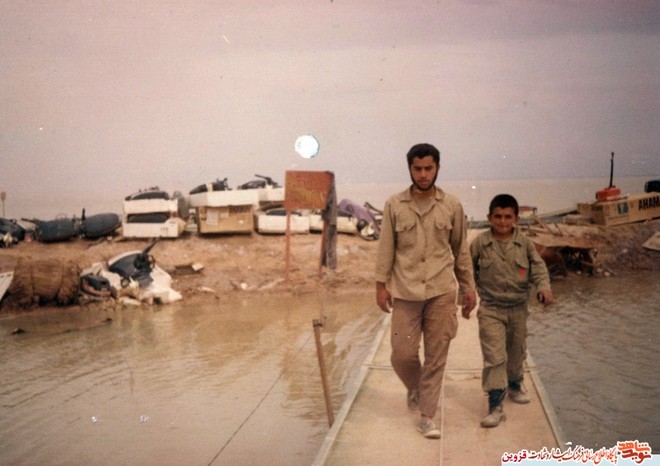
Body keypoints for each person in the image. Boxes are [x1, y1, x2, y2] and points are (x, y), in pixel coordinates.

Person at [375, 143, 477, 439]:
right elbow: (385, 248)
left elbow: (461, 250)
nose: (423, 174)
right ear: (410, 169)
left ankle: (427, 416)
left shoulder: (452, 205)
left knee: (436, 355)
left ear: (437, 168)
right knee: (402, 354)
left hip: (441, 291)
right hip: (405, 292)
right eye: (417, 169)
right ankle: (416, 387)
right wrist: (380, 285)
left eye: (428, 168)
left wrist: (468, 288)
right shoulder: (394, 205)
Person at [469, 194, 554, 428]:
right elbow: (467, 270)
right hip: (491, 308)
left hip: (518, 308)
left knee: (516, 352)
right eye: (498, 216)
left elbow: (538, 268)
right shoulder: (479, 243)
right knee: (494, 355)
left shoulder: (525, 243)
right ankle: (495, 404)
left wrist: (544, 288)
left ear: (516, 219)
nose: (503, 222)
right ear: (489, 217)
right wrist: (465, 298)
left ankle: (515, 383)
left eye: (508, 217)